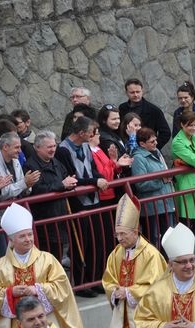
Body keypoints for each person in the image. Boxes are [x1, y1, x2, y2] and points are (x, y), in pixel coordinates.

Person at [0, 203, 86, 328]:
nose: (28, 240)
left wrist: (37, 290)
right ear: (11, 240)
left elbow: (62, 288)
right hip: (15, 327)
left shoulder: (47, 260)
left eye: (30, 235)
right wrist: (10, 293)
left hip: (46, 322)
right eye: (22, 236)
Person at [101, 194, 168, 328]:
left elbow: (157, 285)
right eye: (117, 234)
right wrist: (114, 291)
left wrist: (130, 292)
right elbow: (108, 280)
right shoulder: (116, 254)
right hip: (123, 315)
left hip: (143, 315)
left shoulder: (150, 254)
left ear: (135, 231)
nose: (120, 238)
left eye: (123, 234)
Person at [55, 117, 109, 292]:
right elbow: (72, 177)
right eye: (91, 132)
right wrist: (96, 180)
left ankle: (96, 278)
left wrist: (97, 177)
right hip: (77, 202)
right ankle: (81, 283)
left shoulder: (86, 146)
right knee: (81, 242)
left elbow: (92, 168)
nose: (94, 135)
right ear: (81, 133)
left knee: (97, 241)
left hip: (93, 199)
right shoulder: (63, 150)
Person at [24, 130, 77, 260]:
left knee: (58, 255)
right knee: (47, 258)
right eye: (49, 147)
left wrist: (70, 182)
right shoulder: (31, 166)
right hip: (45, 220)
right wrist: (62, 185)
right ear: (37, 148)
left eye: (54, 146)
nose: (53, 149)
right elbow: (37, 190)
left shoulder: (55, 162)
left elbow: (65, 177)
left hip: (60, 216)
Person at [0, 132, 40, 257]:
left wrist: (28, 185)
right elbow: (0, 194)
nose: (20, 151)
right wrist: (24, 183)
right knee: (4, 256)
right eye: (17, 147)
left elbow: (21, 187)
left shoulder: (16, 161)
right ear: (5, 147)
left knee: (22, 255)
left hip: (16, 215)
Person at [131, 127, 176, 249]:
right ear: (142, 144)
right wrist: (161, 180)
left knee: (169, 236)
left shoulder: (157, 152)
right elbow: (140, 184)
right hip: (152, 206)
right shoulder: (139, 158)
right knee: (154, 238)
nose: (156, 143)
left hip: (165, 202)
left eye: (155, 140)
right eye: (152, 141)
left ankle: (168, 263)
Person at [171, 111, 195, 251]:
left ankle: (192, 255)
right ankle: (187, 256)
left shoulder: (193, 138)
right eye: (190, 125)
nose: (193, 128)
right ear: (182, 125)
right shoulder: (178, 142)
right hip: (186, 186)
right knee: (188, 223)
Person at [118, 78, 171, 148]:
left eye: (138, 92)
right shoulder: (122, 108)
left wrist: (152, 146)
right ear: (126, 92)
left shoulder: (154, 110)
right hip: (127, 148)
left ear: (142, 91)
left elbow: (166, 133)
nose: (136, 95)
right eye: (132, 92)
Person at [97, 104, 132, 177]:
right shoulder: (104, 138)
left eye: (118, 118)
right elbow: (121, 159)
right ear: (104, 120)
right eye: (113, 119)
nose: (118, 121)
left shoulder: (114, 133)